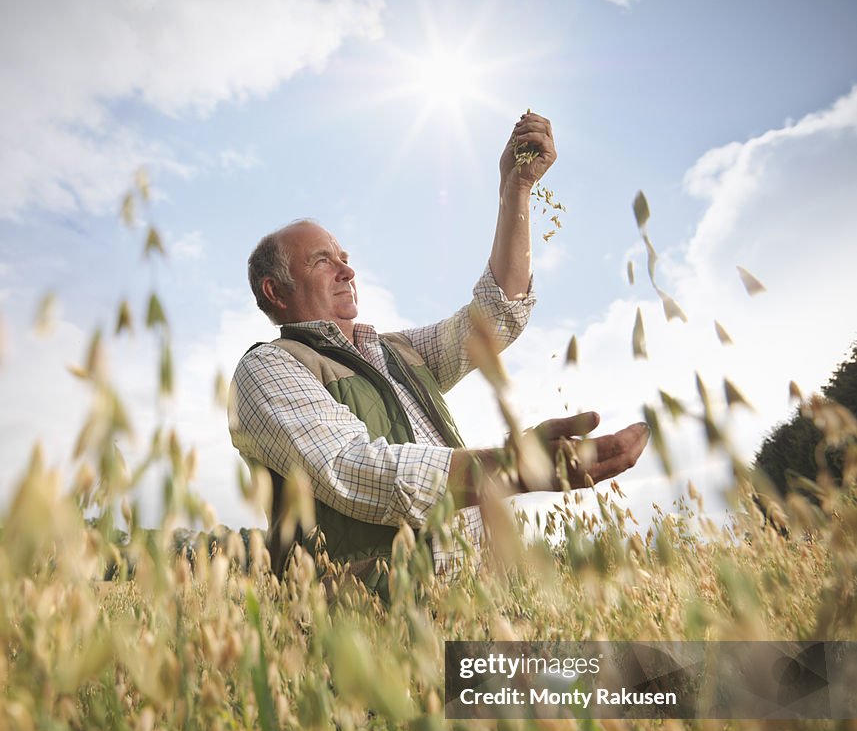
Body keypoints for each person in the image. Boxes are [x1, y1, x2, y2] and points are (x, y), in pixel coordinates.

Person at [229, 111, 650, 593]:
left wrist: (514, 189)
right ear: (276, 291)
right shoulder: (268, 368)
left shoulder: (397, 352)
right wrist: (513, 468)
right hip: (369, 627)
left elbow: (497, 315)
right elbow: (353, 468)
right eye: (323, 261)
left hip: (468, 598)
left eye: (345, 259)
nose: (347, 272)